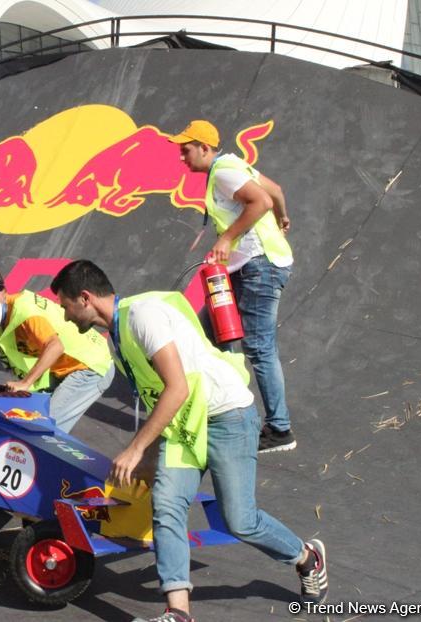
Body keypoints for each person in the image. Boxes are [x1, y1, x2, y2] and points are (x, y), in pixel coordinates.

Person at [50, 260, 327, 622]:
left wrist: (135, 449)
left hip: (226, 418)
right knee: (166, 507)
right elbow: (156, 396)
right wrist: (149, 454)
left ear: (84, 298)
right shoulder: (117, 335)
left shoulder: (141, 317)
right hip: (184, 427)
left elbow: (176, 388)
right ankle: (178, 613)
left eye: (65, 306)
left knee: (239, 520)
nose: (65, 316)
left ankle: (307, 558)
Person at [170, 120, 296, 453]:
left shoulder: (224, 170)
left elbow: (261, 202)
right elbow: (276, 191)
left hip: (259, 268)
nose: (182, 157)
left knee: (259, 347)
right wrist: (284, 218)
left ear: (204, 148)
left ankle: (280, 430)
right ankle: (220, 404)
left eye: (186, 150)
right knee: (205, 332)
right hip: (247, 268)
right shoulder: (233, 166)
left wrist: (227, 237)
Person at [0, 264, 114, 434]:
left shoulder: (25, 312)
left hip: (89, 366)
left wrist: (25, 383)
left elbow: (56, 346)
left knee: (42, 428)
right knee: (21, 416)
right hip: (57, 370)